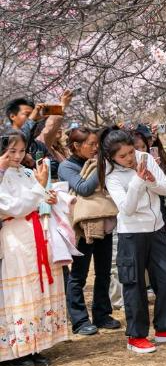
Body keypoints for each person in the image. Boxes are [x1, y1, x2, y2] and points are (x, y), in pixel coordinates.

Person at [99, 128, 166, 354]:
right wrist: (139, 182)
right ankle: (136, 336)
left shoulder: (145, 158)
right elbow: (127, 209)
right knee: (134, 284)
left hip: (157, 229)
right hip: (131, 233)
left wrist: (150, 181)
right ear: (111, 157)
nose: (129, 158)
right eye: (122, 156)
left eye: (131, 152)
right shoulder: (111, 175)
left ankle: (165, 328)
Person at [0, 130, 68, 366]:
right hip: (15, 238)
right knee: (20, 291)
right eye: (12, 151)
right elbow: (14, 207)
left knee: (37, 289)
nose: (17, 156)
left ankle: (35, 344)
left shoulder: (26, 172)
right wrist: (39, 190)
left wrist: (47, 197)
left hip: (36, 234)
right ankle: (17, 351)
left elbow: (35, 199)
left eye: (21, 150)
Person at [58, 128, 120, 335]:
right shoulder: (67, 166)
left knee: (104, 272)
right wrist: (101, 165)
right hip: (81, 226)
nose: (95, 148)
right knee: (79, 274)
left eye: (97, 144)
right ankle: (79, 320)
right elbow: (83, 188)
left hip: (103, 221)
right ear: (76, 146)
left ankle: (102, 314)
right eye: (91, 144)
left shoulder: (96, 162)